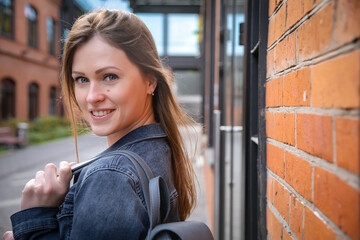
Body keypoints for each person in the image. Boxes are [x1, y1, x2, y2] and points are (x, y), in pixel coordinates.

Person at [3, 9, 197, 240]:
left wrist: (35, 220)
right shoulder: (159, 145)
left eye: (109, 76)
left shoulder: (110, 177)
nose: (92, 97)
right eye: (82, 79)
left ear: (150, 81)